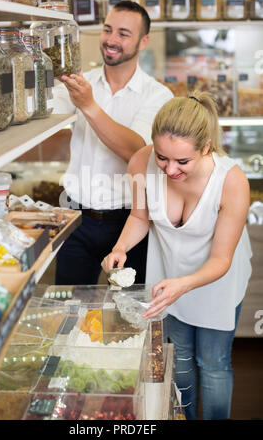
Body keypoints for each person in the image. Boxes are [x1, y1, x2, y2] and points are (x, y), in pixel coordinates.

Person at [101, 90, 252, 420]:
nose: (169, 170)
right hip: (168, 275)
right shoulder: (141, 162)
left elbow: (221, 261)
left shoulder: (231, 181)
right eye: (162, 157)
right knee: (179, 357)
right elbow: (140, 218)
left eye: (183, 161)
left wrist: (184, 285)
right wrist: (120, 248)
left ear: (206, 147)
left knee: (212, 363)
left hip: (216, 279)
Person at [52, 0, 173, 285]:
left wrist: (89, 105)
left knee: (128, 312)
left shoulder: (158, 96)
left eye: (123, 33)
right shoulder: (83, 83)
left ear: (143, 42)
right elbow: (43, 112)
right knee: (70, 308)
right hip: (75, 219)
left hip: (130, 222)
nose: (111, 40)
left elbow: (136, 151)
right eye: (107, 30)